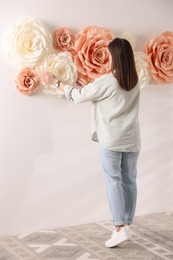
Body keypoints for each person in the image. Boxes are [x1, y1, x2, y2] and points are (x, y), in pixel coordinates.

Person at [38, 38, 141, 248]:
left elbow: (77, 96)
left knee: (113, 181)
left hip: (112, 140)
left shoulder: (108, 81)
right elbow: (109, 96)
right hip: (131, 139)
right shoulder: (134, 79)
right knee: (129, 180)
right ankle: (127, 223)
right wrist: (92, 88)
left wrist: (56, 82)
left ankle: (120, 228)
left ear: (115, 57)